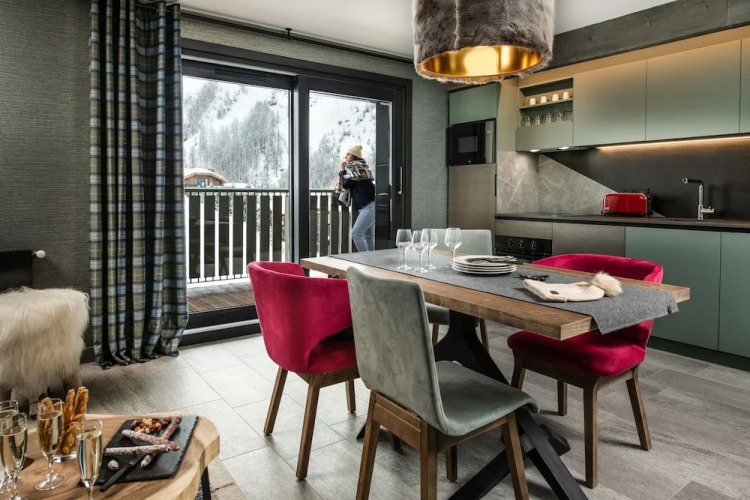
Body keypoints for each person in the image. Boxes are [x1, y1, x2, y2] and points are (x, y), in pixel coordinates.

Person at [339, 144, 375, 251]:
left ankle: (364, 258)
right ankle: (371, 259)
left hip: (369, 206)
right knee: (368, 237)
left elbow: (345, 184)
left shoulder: (354, 168)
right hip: (370, 205)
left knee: (356, 233)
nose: (345, 157)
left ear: (354, 155)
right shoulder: (362, 167)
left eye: (348, 154)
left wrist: (342, 171)